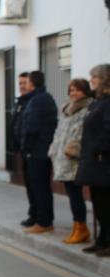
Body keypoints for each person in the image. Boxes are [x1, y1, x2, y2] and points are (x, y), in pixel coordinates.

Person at [48, 79, 93, 244]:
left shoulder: (88, 108)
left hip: (74, 158)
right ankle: (77, 226)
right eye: (72, 90)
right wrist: (54, 150)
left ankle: (81, 228)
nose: (74, 93)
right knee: (72, 194)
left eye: (78, 90)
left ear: (86, 92)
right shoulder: (66, 108)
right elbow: (59, 132)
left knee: (76, 195)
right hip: (62, 158)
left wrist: (72, 150)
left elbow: (82, 134)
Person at [76, 64, 110, 257]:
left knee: (106, 203)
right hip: (93, 159)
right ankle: (102, 240)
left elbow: (108, 130)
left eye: (94, 77)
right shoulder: (97, 102)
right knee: (98, 202)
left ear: (104, 79)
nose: (91, 80)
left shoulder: (107, 103)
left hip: (103, 161)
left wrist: (96, 147)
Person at [21, 71, 58, 234]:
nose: (25, 85)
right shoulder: (42, 98)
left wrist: (26, 147)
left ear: (32, 83)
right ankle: (42, 219)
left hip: (37, 151)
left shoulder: (38, 101)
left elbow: (32, 128)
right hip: (40, 150)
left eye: (27, 82)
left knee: (40, 187)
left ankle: (44, 222)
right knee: (41, 187)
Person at [12, 72, 38, 227]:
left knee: (35, 186)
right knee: (29, 185)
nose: (22, 86)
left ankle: (37, 215)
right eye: (20, 83)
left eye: (24, 83)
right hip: (23, 149)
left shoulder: (33, 101)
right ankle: (33, 213)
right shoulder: (21, 102)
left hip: (32, 150)